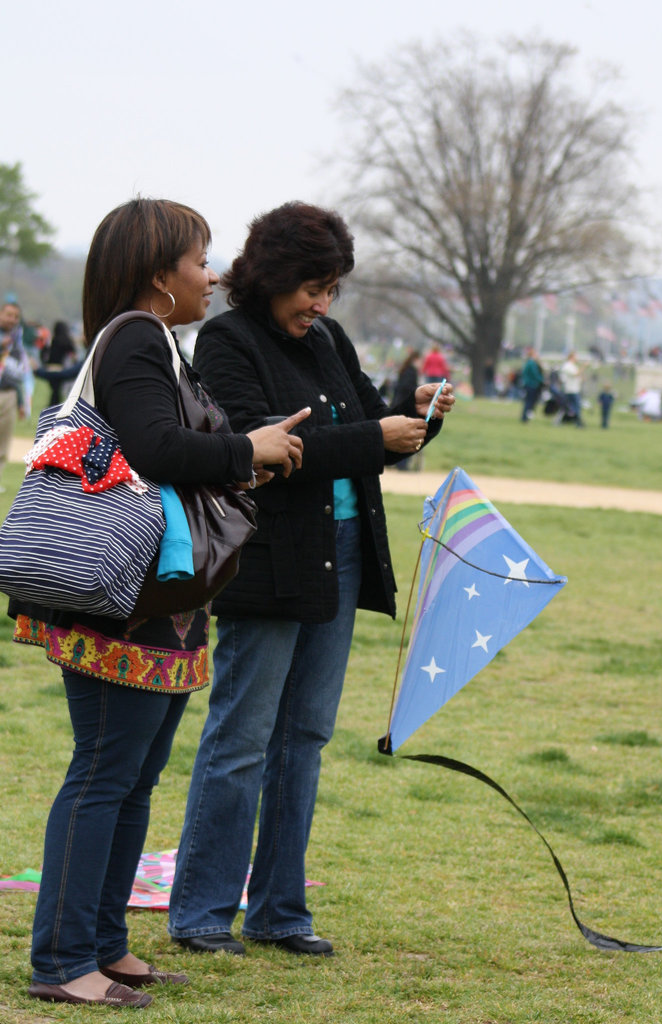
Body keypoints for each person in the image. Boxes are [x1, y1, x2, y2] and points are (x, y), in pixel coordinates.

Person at [14, 198, 309, 1010]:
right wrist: (246, 447)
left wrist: (252, 451)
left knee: (133, 777)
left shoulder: (158, 344)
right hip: (125, 597)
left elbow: (174, 448)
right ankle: (62, 961)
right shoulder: (138, 337)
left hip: (158, 598)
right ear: (157, 274)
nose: (211, 276)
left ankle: (105, 946)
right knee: (106, 773)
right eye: (199, 259)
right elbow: (153, 449)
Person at [167, 201, 455, 958]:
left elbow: (368, 431)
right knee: (242, 737)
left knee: (304, 737)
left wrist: (414, 413)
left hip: (341, 555)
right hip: (267, 564)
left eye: (331, 289)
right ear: (272, 276)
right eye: (311, 288)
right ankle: (200, 912)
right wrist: (371, 434)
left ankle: (279, 911)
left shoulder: (327, 338)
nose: (321, 304)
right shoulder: (227, 342)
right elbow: (266, 450)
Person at [0, 301, 30, 490]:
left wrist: (21, 401)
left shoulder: (17, 342)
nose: (11, 319)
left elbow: (19, 374)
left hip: (9, 393)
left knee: (3, 440)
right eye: (8, 314)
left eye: (15, 316)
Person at [35, 320, 81, 405]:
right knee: (59, 389)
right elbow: (73, 354)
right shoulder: (67, 341)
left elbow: (45, 352)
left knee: (54, 390)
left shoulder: (52, 340)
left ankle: (53, 404)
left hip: (50, 366)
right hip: (61, 367)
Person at [519, 347, 544, 422]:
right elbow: (535, 374)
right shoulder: (532, 363)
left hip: (529, 384)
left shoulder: (528, 363)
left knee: (528, 401)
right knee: (530, 401)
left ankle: (525, 416)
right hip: (532, 385)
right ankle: (525, 417)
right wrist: (542, 380)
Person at [560, 351, 584, 426]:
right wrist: (584, 366)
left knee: (573, 407)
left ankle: (574, 421)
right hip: (570, 390)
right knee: (574, 407)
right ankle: (577, 422)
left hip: (575, 389)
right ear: (572, 357)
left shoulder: (573, 366)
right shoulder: (567, 366)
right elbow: (575, 374)